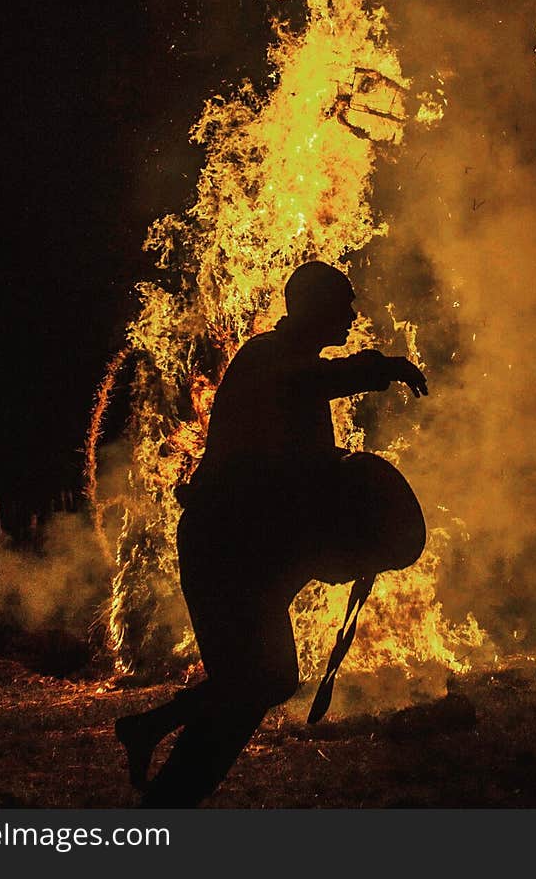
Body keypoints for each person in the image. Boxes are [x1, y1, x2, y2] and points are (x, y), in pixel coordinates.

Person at [115, 261, 428, 807]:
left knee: (265, 682)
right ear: (312, 308)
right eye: (344, 303)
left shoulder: (292, 366)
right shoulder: (268, 359)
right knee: (257, 682)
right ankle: (162, 789)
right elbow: (309, 385)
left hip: (248, 550)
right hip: (222, 546)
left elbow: (299, 472)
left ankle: (155, 760)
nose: (352, 315)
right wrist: (381, 368)